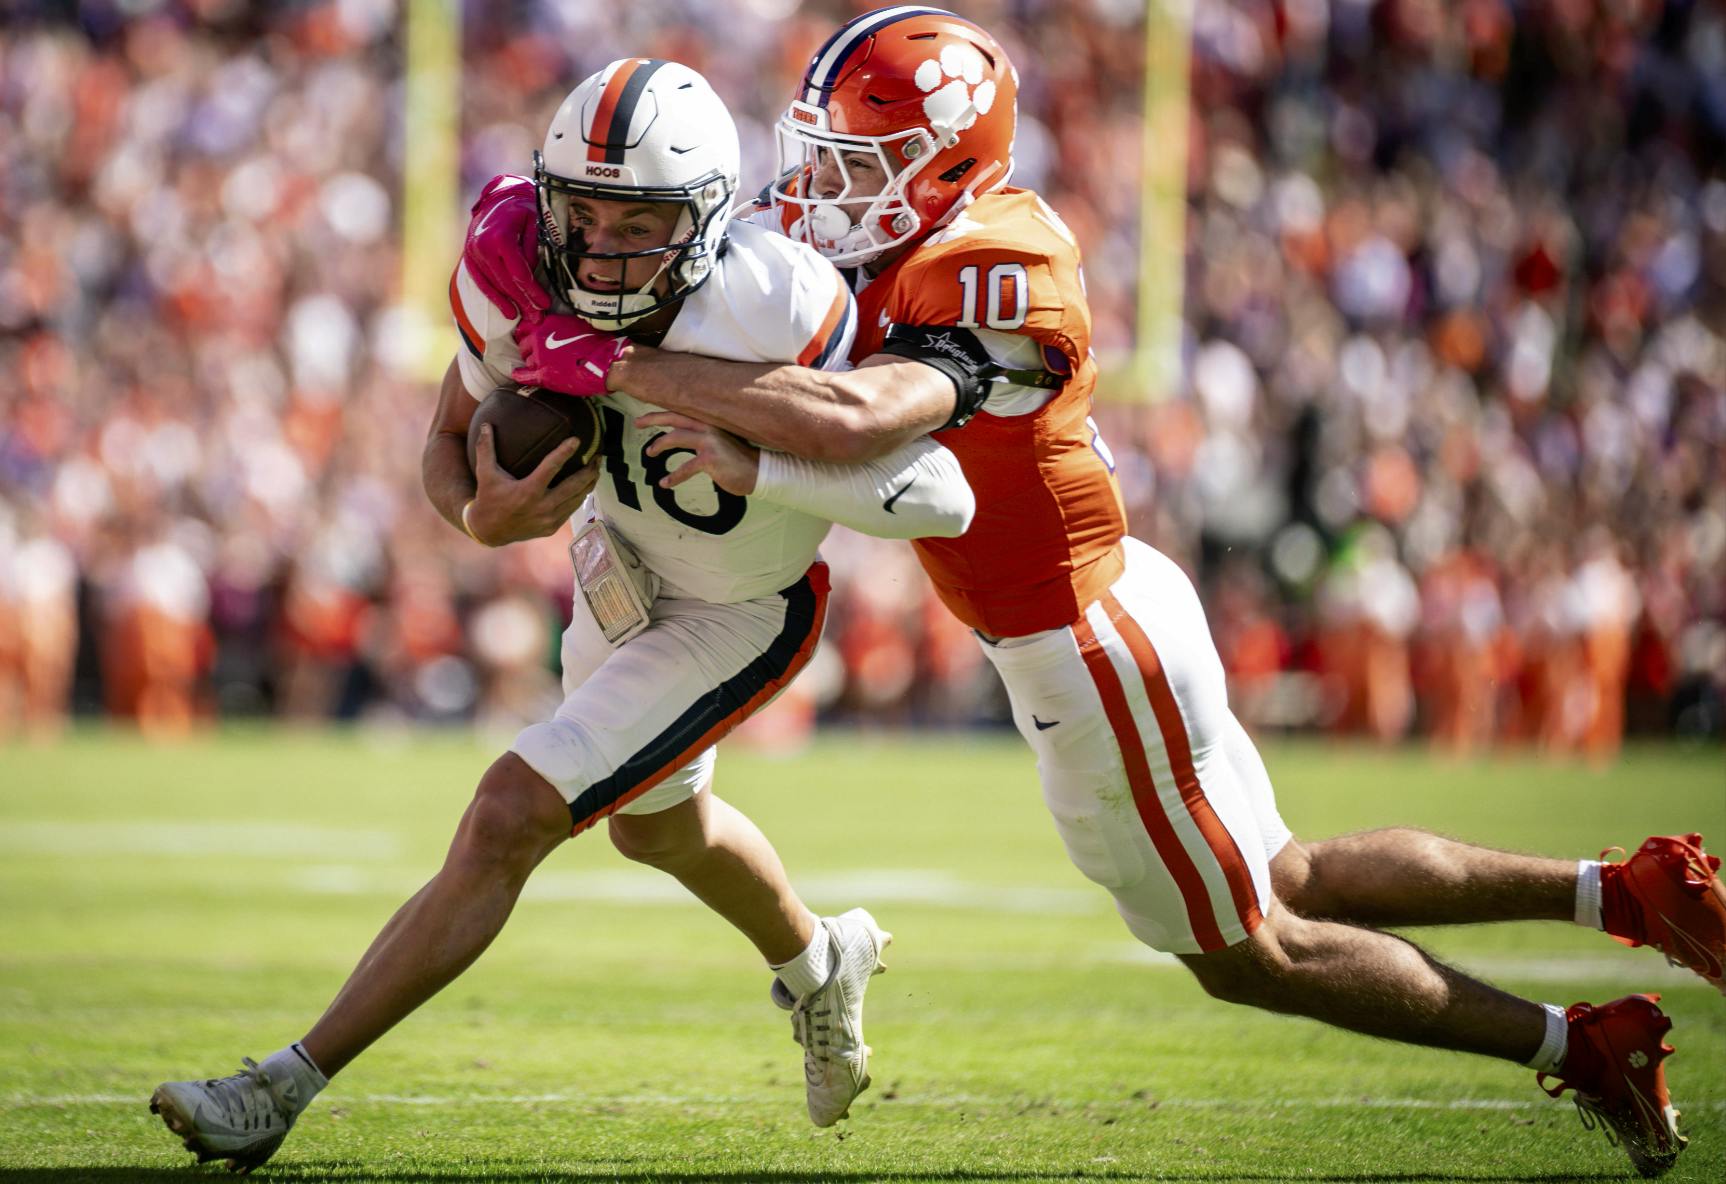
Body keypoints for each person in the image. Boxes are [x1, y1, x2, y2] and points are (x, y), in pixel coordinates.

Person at [457, 9, 1725, 1177]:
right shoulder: (922, 240)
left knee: (1246, 953)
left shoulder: (993, 267)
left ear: (949, 164)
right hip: (1111, 604)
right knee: (1292, 874)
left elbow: (862, 417)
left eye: (861, 162)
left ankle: (1575, 1045)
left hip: (1078, 638)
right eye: (824, 155)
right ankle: (1620, 891)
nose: (824, 188)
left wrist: (626, 363)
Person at [149, 57, 978, 1172]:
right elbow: (447, 441)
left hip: (735, 609)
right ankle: (822, 958)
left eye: (632, 219)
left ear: (704, 217)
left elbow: (939, 491)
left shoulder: (775, 296)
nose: (594, 246)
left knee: (508, 811)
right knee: (657, 826)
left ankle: (280, 1084)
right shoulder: (510, 259)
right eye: (577, 211)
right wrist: (480, 520)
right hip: (615, 567)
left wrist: (751, 459)